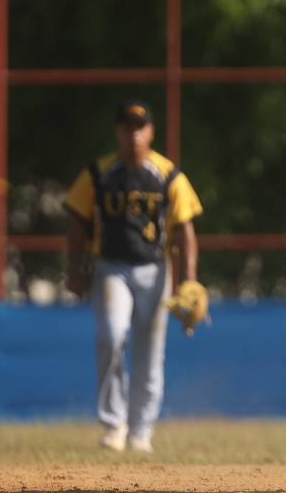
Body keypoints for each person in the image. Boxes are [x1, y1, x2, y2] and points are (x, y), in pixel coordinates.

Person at [64, 100, 203, 453]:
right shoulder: (99, 173)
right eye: (128, 127)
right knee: (111, 334)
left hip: (155, 267)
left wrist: (188, 282)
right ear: (118, 132)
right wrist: (73, 271)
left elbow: (185, 233)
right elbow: (76, 225)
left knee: (150, 351)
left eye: (141, 127)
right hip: (110, 266)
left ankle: (142, 430)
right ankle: (114, 425)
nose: (134, 134)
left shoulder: (168, 174)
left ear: (151, 132)